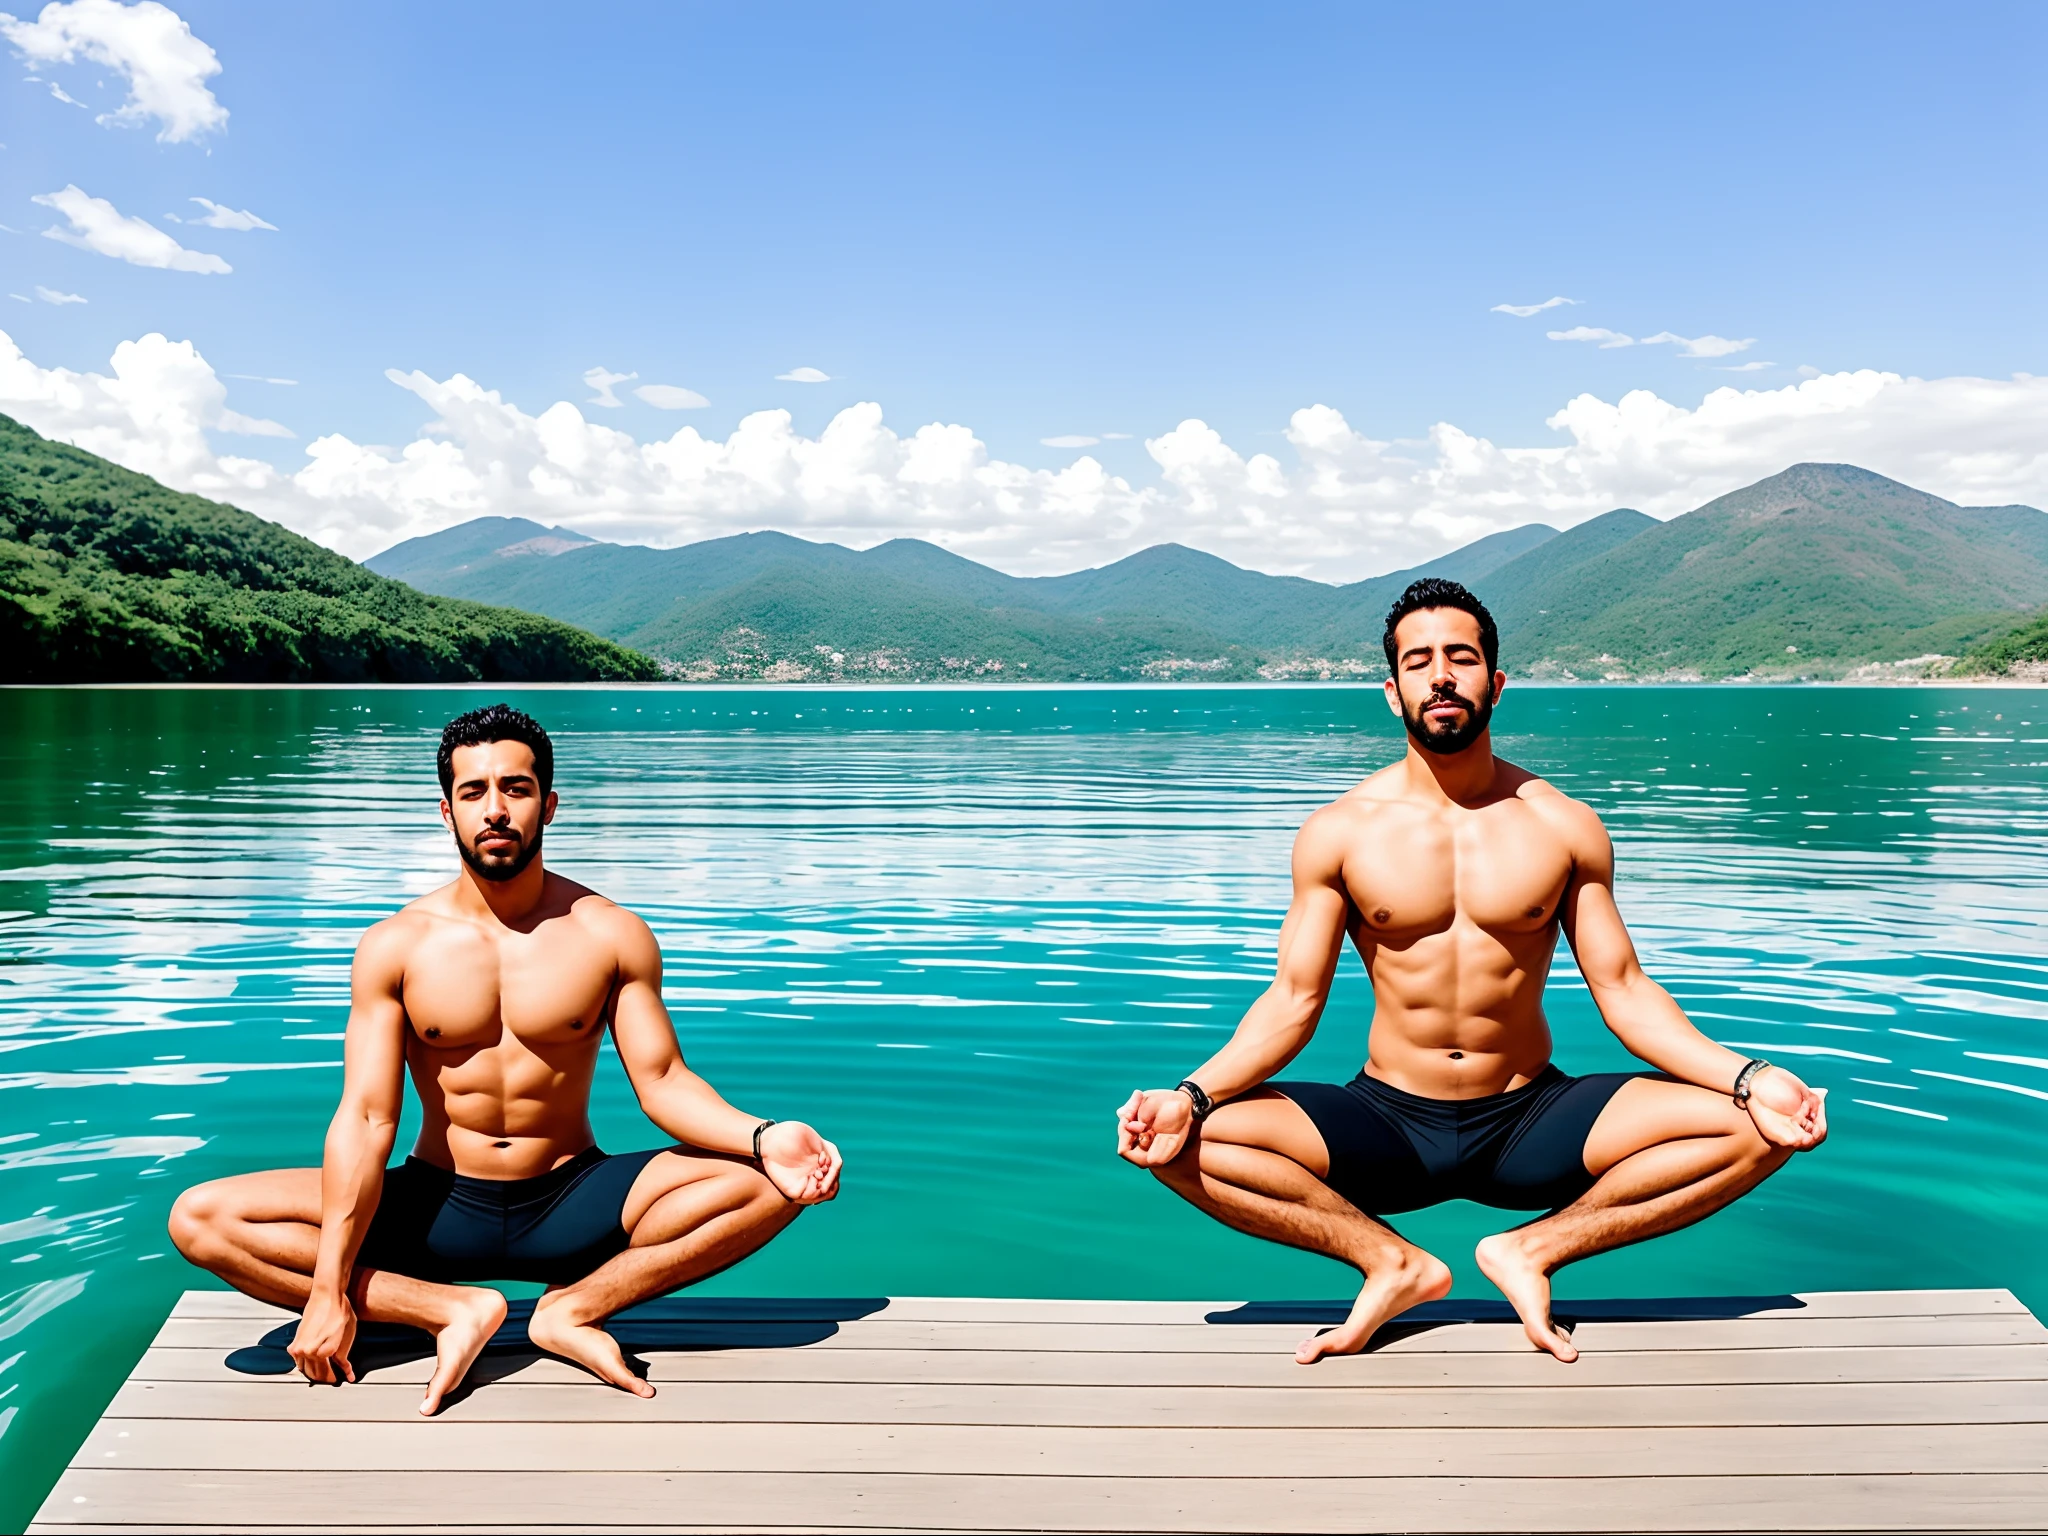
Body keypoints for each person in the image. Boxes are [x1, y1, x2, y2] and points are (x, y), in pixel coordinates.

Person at [1116, 579, 1826, 1364]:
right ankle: (1391, 1262)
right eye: (1419, 661)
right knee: (1172, 1143)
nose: (1442, 675)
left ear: (1496, 681)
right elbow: (1292, 1001)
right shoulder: (1340, 831)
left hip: (1531, 1115)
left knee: (1760, 1128)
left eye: (1462, 656)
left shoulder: (1564, 824)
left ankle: (1532, 1250)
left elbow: (1624, 992)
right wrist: (1188, 1095)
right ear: (1394, 693)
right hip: (1387, 1120)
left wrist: (1749, 1075)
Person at [170, 704, 841, 1415]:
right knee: (203, 1218)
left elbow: (664, 1082)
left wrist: (764, 1137)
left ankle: (573, 1308)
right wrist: (330, 1287)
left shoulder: (610, 933)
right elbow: (367, 1118)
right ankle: (445, 1309)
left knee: (777, 1182)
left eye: (515, 789)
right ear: (446, 810)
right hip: (436, 1205)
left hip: (573, 1200)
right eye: (474, 792)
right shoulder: (396, 944)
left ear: (548, 804)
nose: (495, 810)